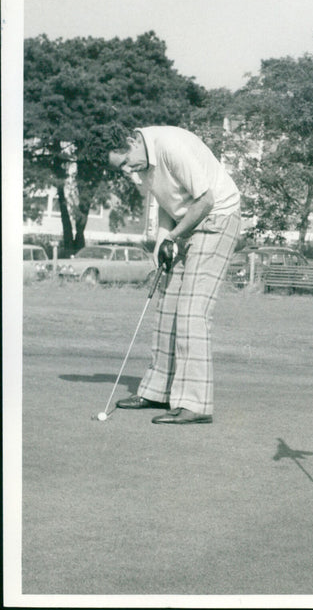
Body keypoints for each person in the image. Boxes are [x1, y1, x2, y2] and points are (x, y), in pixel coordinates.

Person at [108, 126, 241, 425]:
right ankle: (159, 391)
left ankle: (195, 405)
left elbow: (205, 199)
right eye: (122, 168)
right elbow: (168, 204)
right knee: (168, 306)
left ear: (132, 140)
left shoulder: (170, 145)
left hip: (218, 217)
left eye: (126, 161)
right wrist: (161, 242)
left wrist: (174, 237)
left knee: (193, 312)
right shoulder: (144, 162)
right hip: (188, 221)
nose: (129, 171)